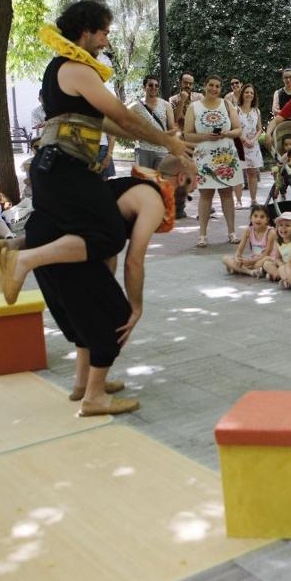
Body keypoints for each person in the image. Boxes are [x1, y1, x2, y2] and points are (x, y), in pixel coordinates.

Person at [0, 0, 192, 306]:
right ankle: (23, 260)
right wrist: (168, 143)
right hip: (63, 169)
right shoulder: (75, 69)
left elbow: (109, 123)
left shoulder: (63, 69)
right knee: (108, 235)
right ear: (86, 32)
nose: (106, 41)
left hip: (56, 168)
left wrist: (159, 136)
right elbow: (123, 116)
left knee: (66, 229)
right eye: (104, 33)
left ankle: (16, 247)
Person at [45, 156, 193, 415]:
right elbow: (134, 261)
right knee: (117, 317)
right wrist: (136, 307)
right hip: (70, 252)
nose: (194, 189)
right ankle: (93, 396)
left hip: (64, 245)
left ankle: (83, 384)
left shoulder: (129, 185)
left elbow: (110, 243)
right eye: (194, 182)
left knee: (89, 316)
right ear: (181, 178)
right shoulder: (152, 200)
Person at [187, 76, 243, 247]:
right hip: (204, 156)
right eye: (211, 85)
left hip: (225, 155)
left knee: (227, 193)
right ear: (204, 86)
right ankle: (202, 235)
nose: (214, 88)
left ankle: (232, 232)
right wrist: (205, 136)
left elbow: (238, 129)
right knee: (206, 195)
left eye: (217, 86)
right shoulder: (194, 107)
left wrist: (227, 133)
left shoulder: (227, 104)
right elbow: (187, 134)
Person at [130, 74, 177, 170]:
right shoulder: (136, 106)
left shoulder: (166, 105)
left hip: (162, 149)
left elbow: (172, 128)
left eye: (156, 85)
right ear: (144, 87)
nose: (154, 87)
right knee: (145, 181)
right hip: (143, 149)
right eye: (150, 85)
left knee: (159, 182)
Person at [235, 84, 264, 205]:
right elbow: (234, 127)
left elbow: (259, 129)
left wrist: (253, 140)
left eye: (251, 93)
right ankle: (238, 200)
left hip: (253, 145)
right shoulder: (235, 110)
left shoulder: (256, 111)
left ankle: (253, 200)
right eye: (247, 92)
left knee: (252, 173)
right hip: (239, 145)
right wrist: (244, 140)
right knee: (238, 175)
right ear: (242, 94)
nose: (249, 95)